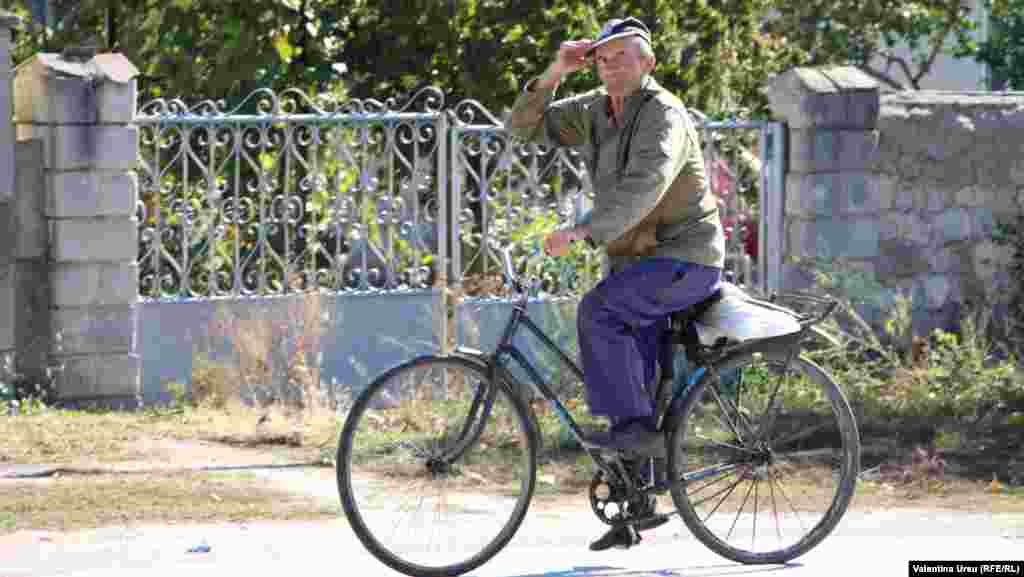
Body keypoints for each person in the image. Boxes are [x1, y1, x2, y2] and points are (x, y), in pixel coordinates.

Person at [506, 17, 725, 551]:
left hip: (683, 259)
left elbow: (644, 188)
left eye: (622, 57)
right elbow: (522, 128)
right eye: (602, 58)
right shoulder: (596, 111)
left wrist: (584, 230)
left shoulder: (663, 115)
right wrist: (556, 71)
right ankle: (635, 507)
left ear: (647, 63)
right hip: (637, 265)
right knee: (638, 379)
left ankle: (633, 437)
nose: (610, 66)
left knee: (599, 313)